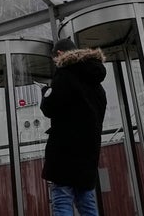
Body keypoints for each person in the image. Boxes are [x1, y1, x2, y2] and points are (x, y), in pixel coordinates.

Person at [40, 37, 107, 216]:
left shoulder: (65, 75)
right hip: (89, 152)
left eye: (55, 59)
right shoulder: (97, 84)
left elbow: (50, 108)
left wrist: (46, 93)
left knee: (62, 199)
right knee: (86, 201)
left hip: (65, 152)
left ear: (60, 54)